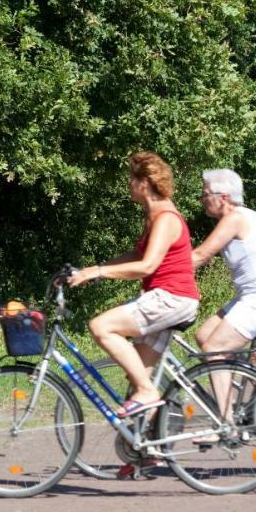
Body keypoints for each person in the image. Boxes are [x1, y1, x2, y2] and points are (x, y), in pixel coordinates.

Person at [67, 152, 200, 418]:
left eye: (132, 178)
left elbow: (147, 266)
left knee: (101, 326)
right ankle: (147, 452)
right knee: (138, 374)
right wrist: (91, 271)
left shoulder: (165, 219)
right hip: (166, 298)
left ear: (146, 182)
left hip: (171, 298)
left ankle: (148, 393)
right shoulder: (154, 217)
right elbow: (137, 255)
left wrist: (101, 272)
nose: (128, 184)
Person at [191, 168, 256, 355]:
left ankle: (229, 380)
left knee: (213, 349)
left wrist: (163, 272)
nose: (202, 199)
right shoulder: (242, 215)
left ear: (223, 198)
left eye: (205, 195)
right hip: (249, 296)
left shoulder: (236, 218)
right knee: (204, 336)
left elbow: (200, 255)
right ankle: (237, 376)